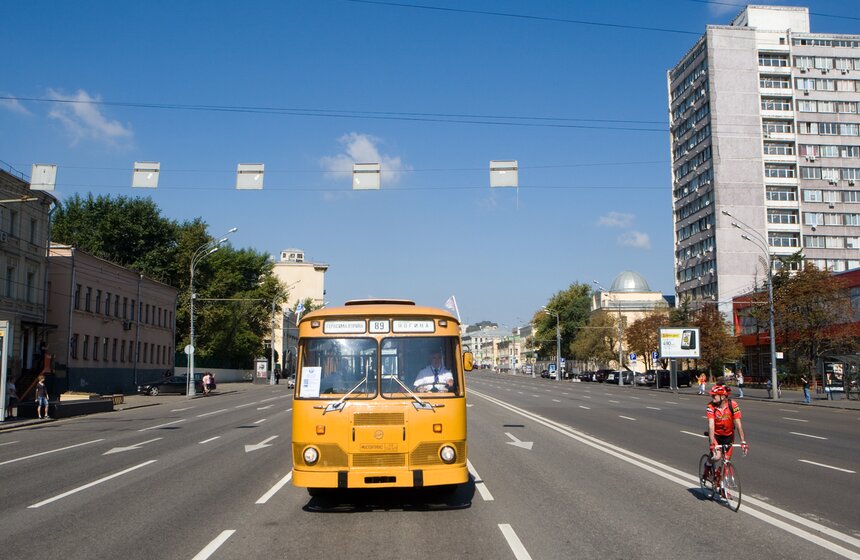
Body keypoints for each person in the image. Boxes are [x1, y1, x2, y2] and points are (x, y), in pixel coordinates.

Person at [705, 384, 748, 465]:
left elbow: (738, 424)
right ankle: (708, 465)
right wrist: (712, 444)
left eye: (714, 396)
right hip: (716, 436)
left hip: (729, 436)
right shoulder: (710, 406)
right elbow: (711, 425)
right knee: (717, 456)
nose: (712, 397)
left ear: (723, 397)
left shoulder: (733, 405)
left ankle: (724, 475)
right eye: (712, 395)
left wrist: (743, 441)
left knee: (727, 460)